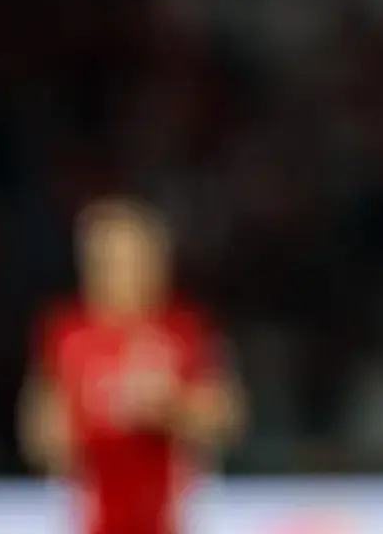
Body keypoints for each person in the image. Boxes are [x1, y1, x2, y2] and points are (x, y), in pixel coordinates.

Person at [19, 197, 244, 534]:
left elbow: (226, 419)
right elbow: (40, 436)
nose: (126, 274)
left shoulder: (184, 329)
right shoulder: (66, 334)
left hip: (168, 522)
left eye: (136, 260)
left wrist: (170, 408)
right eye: (113, 261)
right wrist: (88, 417)